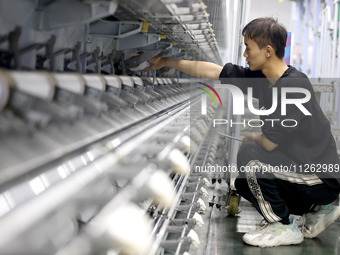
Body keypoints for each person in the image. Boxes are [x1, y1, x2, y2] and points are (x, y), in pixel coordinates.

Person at [144, 17, 340, 247]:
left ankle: (284, 226)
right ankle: (318, 210)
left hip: (319, 177)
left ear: (268, 51)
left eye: (248, 48)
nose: (245, 54)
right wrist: (165, 61)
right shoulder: (263, 79)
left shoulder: (292, 86)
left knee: (250, 154)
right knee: (245, 184)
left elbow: (268, 145)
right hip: (303, 171)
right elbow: (214, 71)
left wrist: (253, 138)